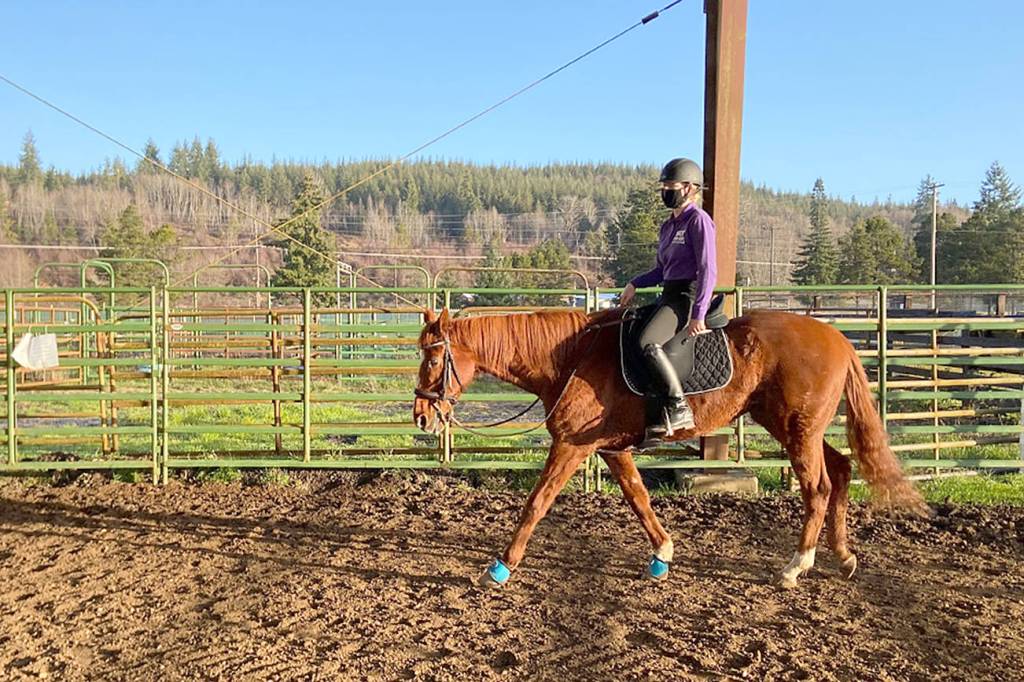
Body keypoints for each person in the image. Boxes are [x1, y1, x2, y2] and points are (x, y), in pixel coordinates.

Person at [620, 157, 717, 443]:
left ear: (689, 188)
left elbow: (708, 268)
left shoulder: (698, 221)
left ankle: (679, 407)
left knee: (648, 343)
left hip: (685, 297)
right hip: (669, 293)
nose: (665, 191)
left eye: (670, 186)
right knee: (629, 332)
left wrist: (699, 313)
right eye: (663, 186)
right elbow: (662, 270)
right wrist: (635, 283)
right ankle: (649, 416)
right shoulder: (668, 227)